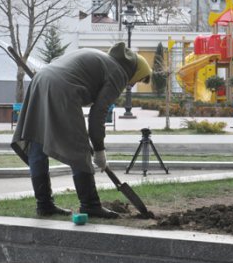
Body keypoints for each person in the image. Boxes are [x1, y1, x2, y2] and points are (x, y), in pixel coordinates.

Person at [11, 42, 151, 218]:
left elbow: (62, 66)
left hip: (41, 80)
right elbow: (98, 115)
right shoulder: (119, 73)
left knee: (37, 142)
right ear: (135, 71)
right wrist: (99, 150)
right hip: (62, 89)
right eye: (137, 80)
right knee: (80, 148)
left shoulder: (97, 55)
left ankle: (44, 205)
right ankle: (90, 205)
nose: (131, 85)